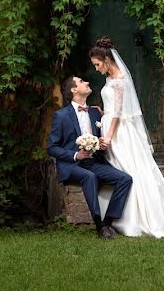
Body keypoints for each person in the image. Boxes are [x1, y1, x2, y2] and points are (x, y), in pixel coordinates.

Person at [90, 36, 164, 240]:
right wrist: (102, 112)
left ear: (106, 60)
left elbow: (119, 113)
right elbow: (113, 109)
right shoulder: (110, 79)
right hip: (110, 125)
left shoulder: (120, 80)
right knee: (119, 169)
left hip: (120, 133)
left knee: (129, 169)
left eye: (97, 65)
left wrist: (110, 136)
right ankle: (117, 217)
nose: (96, 69)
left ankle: (135, 219)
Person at [47, 75, 133, 239]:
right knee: (90, 177)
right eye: (81, 81)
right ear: (74, 90)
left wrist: (100, 144)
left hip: (94, 162)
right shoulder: (61, 115)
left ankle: (108, 222)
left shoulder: (95, 112)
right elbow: (52, 148)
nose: (87, 82)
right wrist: (75, 155)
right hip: (71, 165)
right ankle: (99, 225)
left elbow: (101, 135)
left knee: (125, 179)